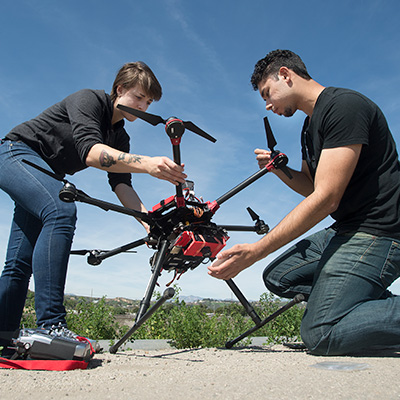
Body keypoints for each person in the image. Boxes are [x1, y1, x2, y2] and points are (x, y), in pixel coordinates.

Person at [208, 49, 400, 355]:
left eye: (267, 93)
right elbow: (312, 187)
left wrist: (256, 250)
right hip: (347, 229)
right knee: (278, 276)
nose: (268, 105)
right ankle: (359, 302)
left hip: (379, 231)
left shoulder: (344, 107)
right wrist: (279, 168)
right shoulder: (309, 127)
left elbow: (326, 199)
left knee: (321, 333)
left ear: (286, 75)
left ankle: (343, 314)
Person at [0, 61, 187, 355]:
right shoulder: (89, 100)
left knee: (20, 261)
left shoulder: (120, 136)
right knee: (61, 211)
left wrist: (149, 223)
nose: (144, 106)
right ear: (119, 89)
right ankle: (51, 326)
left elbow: (121, 184)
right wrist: (148, 163)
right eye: (138, 97)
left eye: (148, 102)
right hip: (15, 154)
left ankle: (4, 336)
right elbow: (90, 153)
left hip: (45, 176)